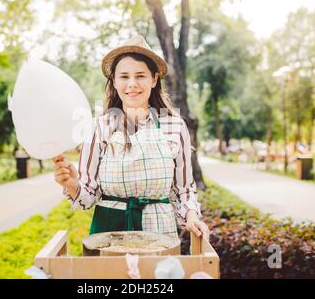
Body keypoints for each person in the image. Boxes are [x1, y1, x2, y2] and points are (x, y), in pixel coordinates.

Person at [52, 35, 209, 241]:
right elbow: (88, 196)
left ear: (154, 79)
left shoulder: (174, 126)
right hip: (108, 234)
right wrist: (71, 183)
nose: (132, 84)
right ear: (114, 82)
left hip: (159, 233)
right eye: (124, 76)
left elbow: (184, 190)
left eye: (140, 76)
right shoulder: (99, 127)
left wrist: (192, 216)